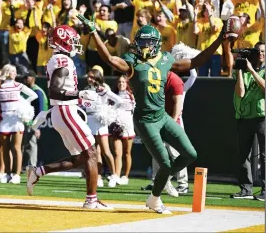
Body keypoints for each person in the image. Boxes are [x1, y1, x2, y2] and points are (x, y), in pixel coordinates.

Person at [77, 12, 236, 214]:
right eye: (140, 42)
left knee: (190, 154)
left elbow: (196, 61)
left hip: (162, 117)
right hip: (145, 120)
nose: (142, 46)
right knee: (166, 163)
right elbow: (108, 58)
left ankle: (162, 183)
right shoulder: (132, 62)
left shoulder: (165, 59)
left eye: (146, 42)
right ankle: (156, 197)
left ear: (155, 44)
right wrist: (93, 32)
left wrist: (219, 38)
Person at [26, 25, 112, 209]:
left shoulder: (60, 59)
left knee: (82, 157)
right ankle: (91, 200)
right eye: (72, 41)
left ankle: (39, 171)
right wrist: (79, 95)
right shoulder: (62, 60)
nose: (75, 44)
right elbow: (56, 92)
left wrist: (76, 98)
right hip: (66, 110)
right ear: (63, 41)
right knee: (91, 153)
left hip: (64, 111)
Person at [0, 64, 38, 184]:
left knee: (16, 147)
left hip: (16, 119)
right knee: (5, 148)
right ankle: (7, 174)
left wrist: (23, 102)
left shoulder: (18, 86)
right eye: (13, 71)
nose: (15, 73)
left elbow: (33, 95)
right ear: (8, 73)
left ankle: (17, 175)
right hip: (4, 120)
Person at [230, 41, 265, 201]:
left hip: (262, 116)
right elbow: (241, 93)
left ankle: (266, 189)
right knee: (243, 154)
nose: (261, 54)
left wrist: (251, 70)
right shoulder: (242, 71)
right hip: (244, 117)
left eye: (264, 51)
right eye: (258, 51)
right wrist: (239, 70)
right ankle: (246, 189)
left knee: (265, 155)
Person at [83, 68, 121, 188]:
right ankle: (98, 177)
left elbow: (118, 101)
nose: (89, 79)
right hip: (89, 122)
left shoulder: (103, 90)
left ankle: (114, 175)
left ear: (97, 78)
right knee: (94, 152)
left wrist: (109, 112)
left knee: (106, 151)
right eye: (88, 76)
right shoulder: (86, 91)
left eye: (92, 77)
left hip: (100, 122)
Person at [110, 75, 136, 185]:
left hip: (128, 127)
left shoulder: (131, 96)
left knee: (127, 153)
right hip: (115, 127)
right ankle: (116, 175)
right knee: (117, 152)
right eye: (119, 82)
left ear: (127, 84)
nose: (121, 84)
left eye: (123, 82)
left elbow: (134, 112)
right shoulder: (113, 96)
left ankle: (125, 176)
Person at [22, 70, 49, 168]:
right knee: (26, 144)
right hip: (26, 121)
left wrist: (38, 127)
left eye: (27, 77)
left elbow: (41, 110)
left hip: (33, 122)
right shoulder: (27, 90)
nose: (25, 79)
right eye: (24, 77)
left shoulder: (37, 91)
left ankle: (32, 165)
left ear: (33, 78)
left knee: (32, 144)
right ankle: (25, 165)